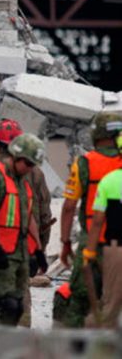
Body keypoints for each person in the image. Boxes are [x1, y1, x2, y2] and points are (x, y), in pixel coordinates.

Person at [59, 112, 122, 328]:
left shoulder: (84, 164)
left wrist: (65, 242)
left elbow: (68, 207)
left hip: (92, 244)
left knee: (80, 299)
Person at [0, 119, 52, 326]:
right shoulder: (33, 172)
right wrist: (40, 247)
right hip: (14, 247)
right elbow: (43, 215)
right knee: (16, 299)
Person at [80, 131, 122, 328]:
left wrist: (89, 251)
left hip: (116, 251)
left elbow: (97, 221)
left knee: (111, 304)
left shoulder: (109, 181)